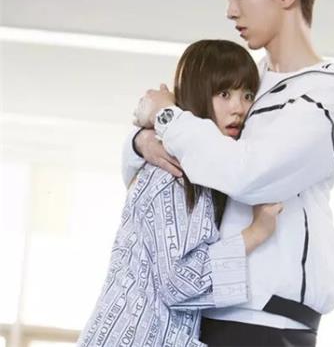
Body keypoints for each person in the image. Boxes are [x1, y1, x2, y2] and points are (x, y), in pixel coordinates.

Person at [126, 0, 334, 347]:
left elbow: (250, 175)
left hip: (268, 322)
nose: (230, 10)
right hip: (202, 310)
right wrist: (140, 142)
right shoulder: (246, 83)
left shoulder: (329, 96)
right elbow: (153, 163)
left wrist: (166, 118)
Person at [77, 39, 283, 347]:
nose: (239, 108)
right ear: (198, 94)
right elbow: (179, 284)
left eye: (247, 95)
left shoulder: (196, 173)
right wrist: (256, 233)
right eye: (224, 94)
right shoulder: (174, 173)